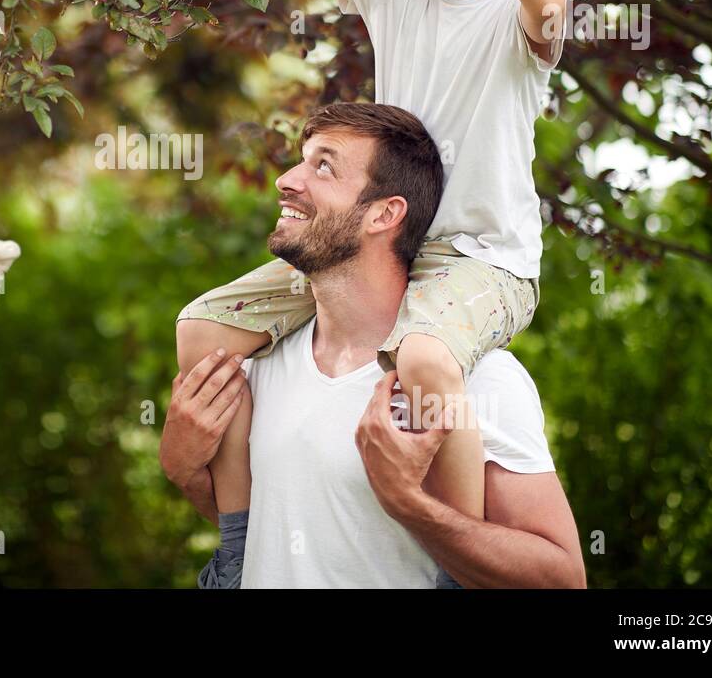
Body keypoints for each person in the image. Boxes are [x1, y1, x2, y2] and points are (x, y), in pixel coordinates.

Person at [94, 0, 567, 537]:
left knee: (428, 360)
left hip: (481, 262)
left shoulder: (519, 15)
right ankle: (239, 543)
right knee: (203, 331)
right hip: (380, 239)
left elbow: (551, 2)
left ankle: (457, 568)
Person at [158, 103, 585, 588]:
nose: (287, 180)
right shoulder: (258, 369)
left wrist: (409, 503)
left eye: (324, 165)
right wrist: (183, 470)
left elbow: (562, 580)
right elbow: (275, 536)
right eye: (302, 159)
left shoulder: (480, 381)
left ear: (385, 213)